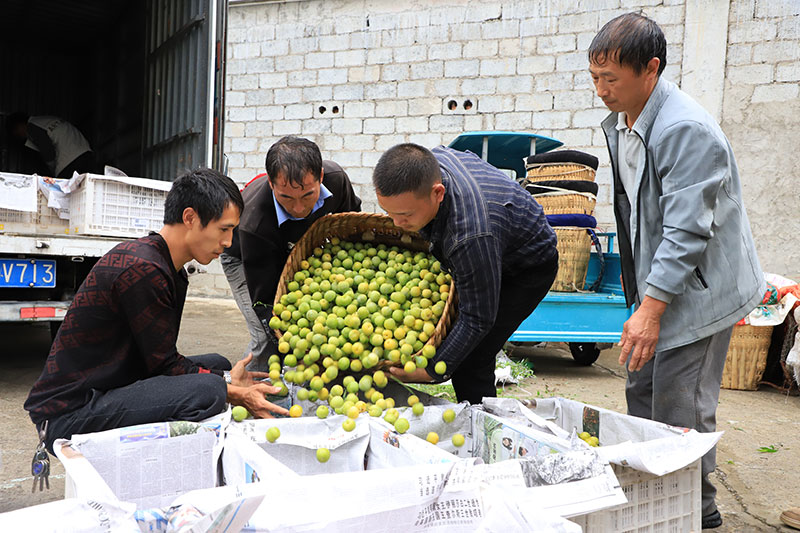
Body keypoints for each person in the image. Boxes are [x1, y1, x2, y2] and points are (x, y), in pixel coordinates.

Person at [588, 13, 765, 529]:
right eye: (595, 78)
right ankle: (652, 498)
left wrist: (653, 307)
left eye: (611, 79)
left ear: (651, 69)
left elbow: (687, 231)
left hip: (701, 290)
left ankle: (697, 514)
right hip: (658, 286)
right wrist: (642, 301)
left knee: (678, 405)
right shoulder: (627, 121)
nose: (601, 90)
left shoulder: (684, 128)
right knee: (639, 390)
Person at [24, 168, 289, 454]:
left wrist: (225, 378)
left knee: (218, 363)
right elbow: (165, 366)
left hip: (113, 384)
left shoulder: (161, 264)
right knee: (208, 391)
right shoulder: (143, 270)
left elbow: (159, 363)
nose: (227, 242)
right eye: (224, 229)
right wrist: (235, 391)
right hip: (72, 411)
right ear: (190, 218)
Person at [371, 143, 558, 405]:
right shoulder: (426, 167)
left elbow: (478, 317)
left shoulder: (470, 235)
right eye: (389, 212)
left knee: (473, 355)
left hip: (525, 267)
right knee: (459, 338)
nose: (396, 223)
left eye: (405, 215)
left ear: (438, 193)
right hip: (489, 240)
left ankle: (482, 428)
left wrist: (433, 370)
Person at [222, 136, 361, 371]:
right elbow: (265, 300)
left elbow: (352, 223)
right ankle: (246, 390)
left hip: (294, 247)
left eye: (308, 195)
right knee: (266, 338)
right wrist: (293, 340)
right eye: (286, 197)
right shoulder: (255, 223)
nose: (298, 208)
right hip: (242, 257)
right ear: (271, 184)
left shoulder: (337, 181)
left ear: (321, 177)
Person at [6, 113, 95, 178]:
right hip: (86, 154)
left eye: (17, 131)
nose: (20, 135)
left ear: (20, 124)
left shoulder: (32, 126)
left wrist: (51, 170)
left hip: (69, 163)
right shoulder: (47, 120)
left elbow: (48, 152)